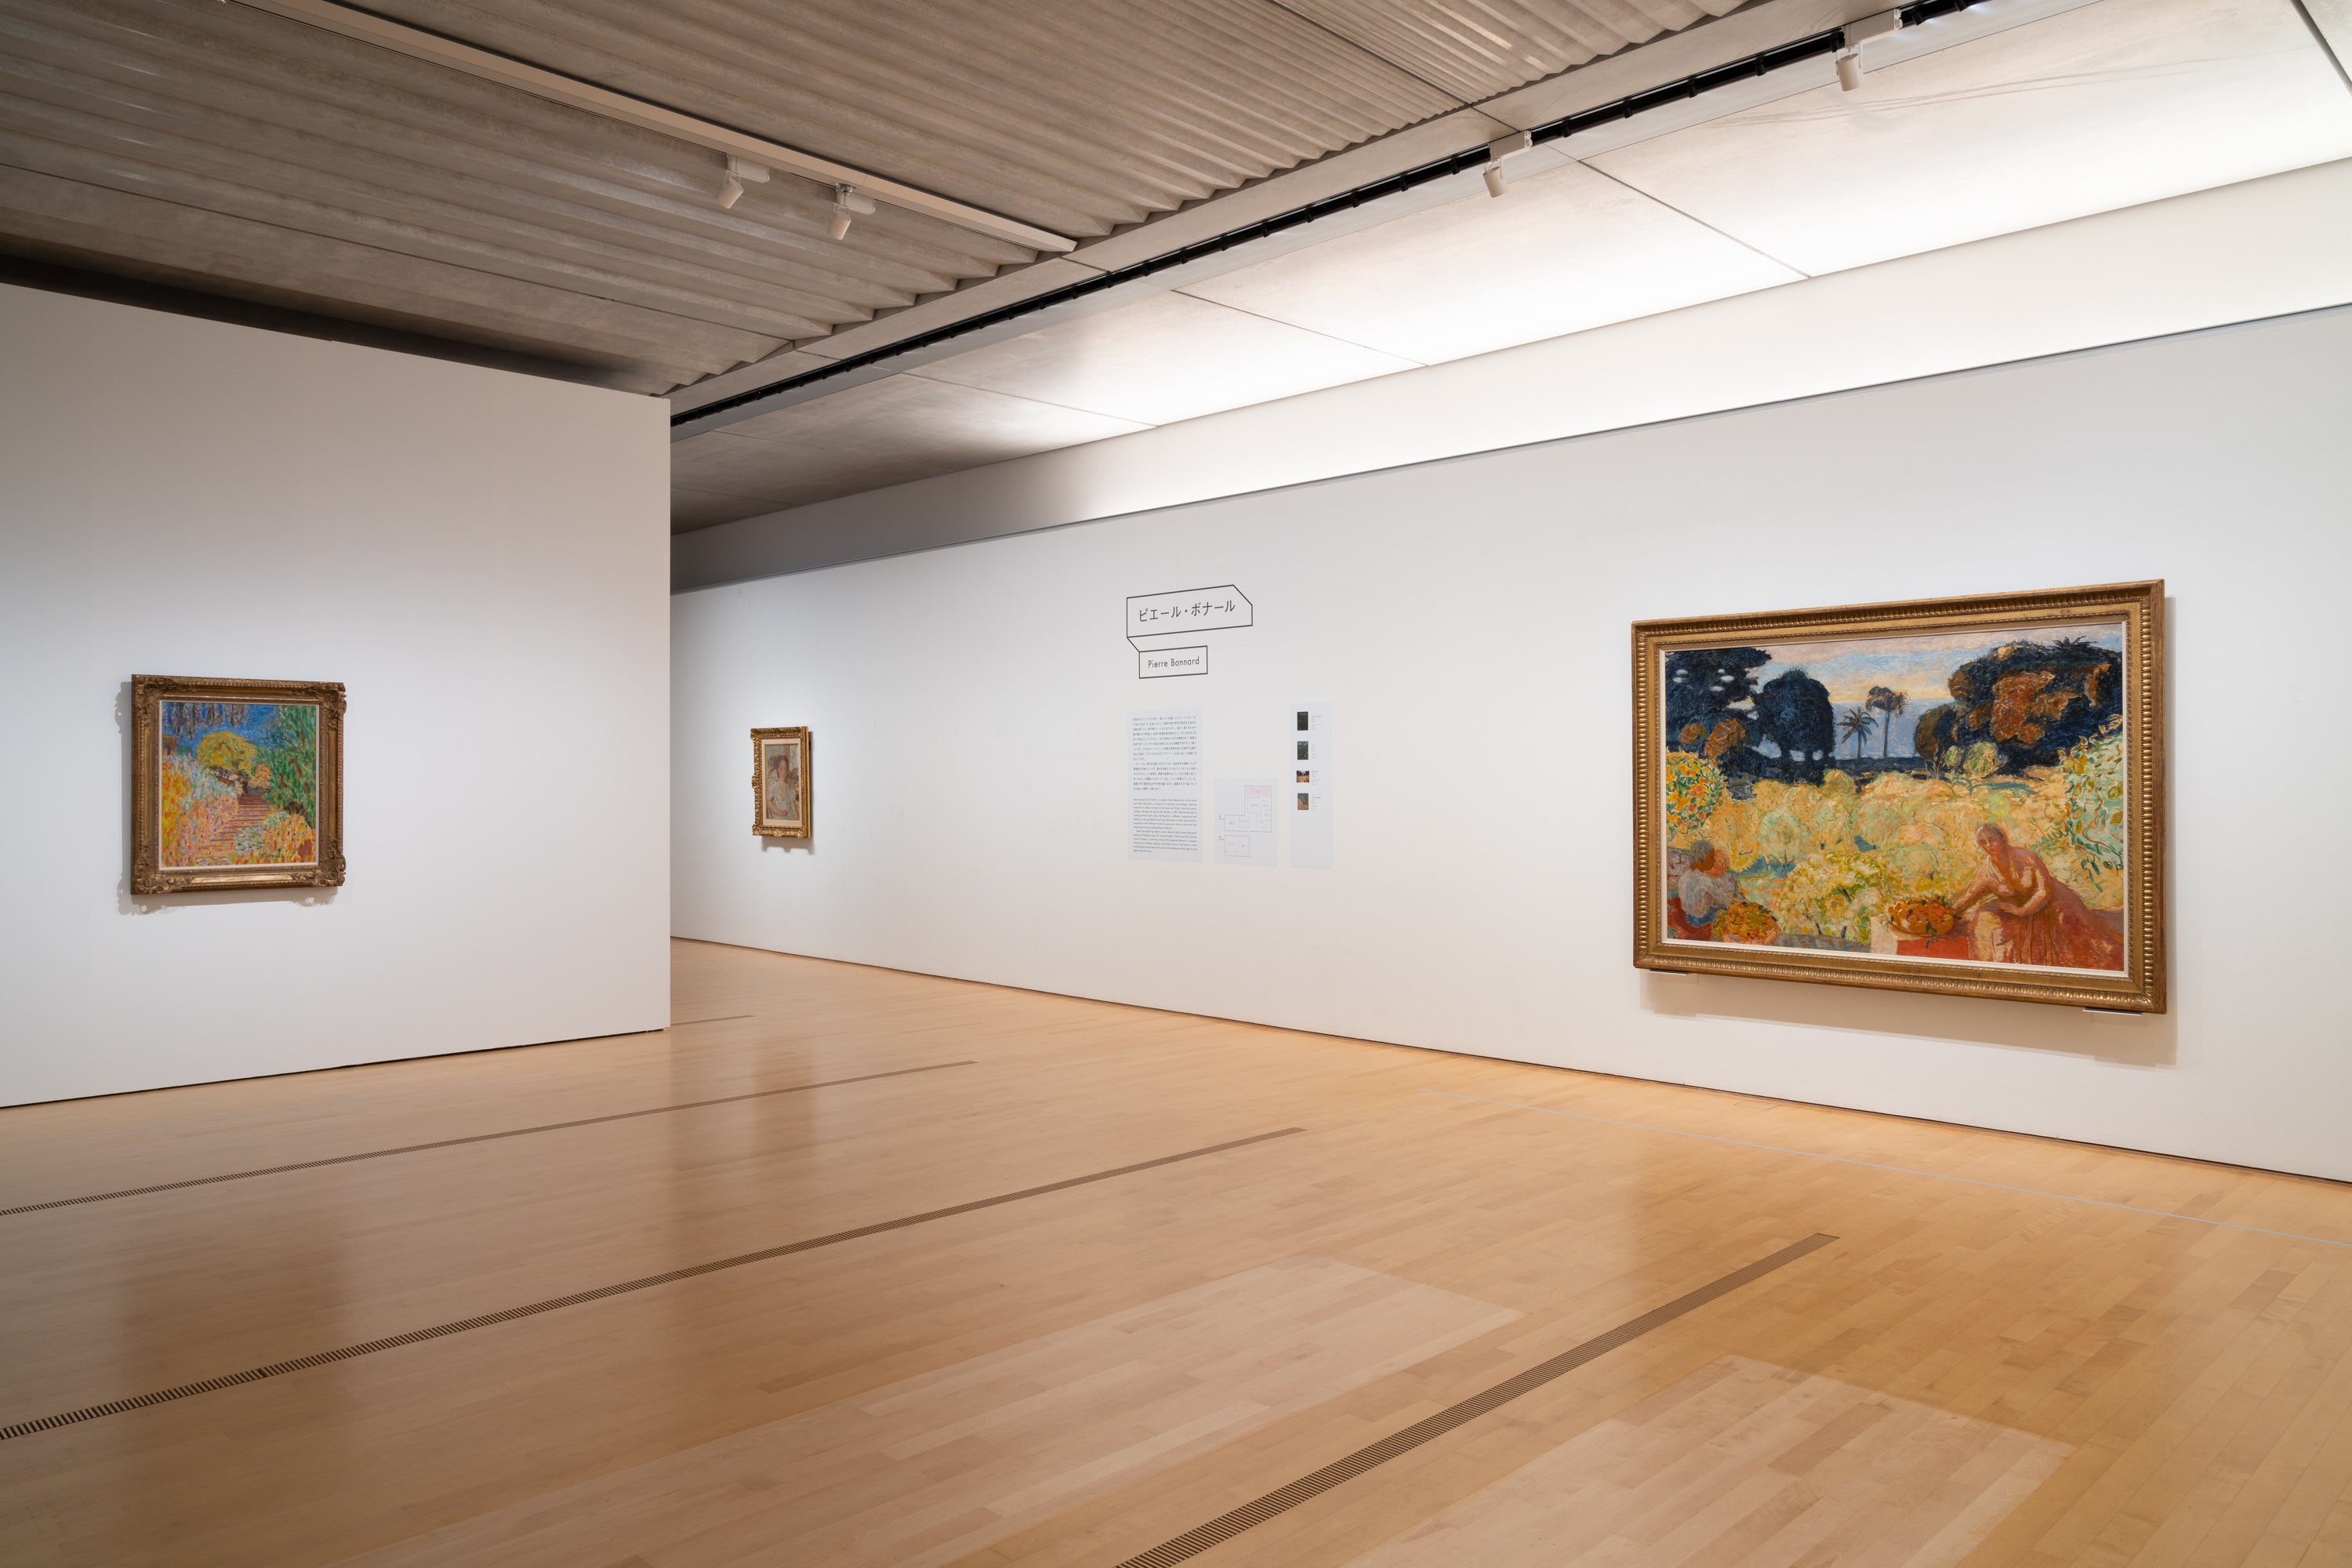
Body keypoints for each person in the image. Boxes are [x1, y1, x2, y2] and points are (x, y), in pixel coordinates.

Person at [1949, 824, 2124, 970]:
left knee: (2080, 941)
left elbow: (2044, 891)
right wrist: (1947, 914)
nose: (1989, 845)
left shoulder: (2026, 858)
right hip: (2020, 906)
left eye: (1992, 839)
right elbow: (1970, 896)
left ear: (2003, 839)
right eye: (1983, 843)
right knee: (1984, 919)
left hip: (2054, 902)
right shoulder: (1986, 871)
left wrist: (2023, 911)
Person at [1668, 840, 1740, 939]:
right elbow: (1725, 900)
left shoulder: (1685, 876)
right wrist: (1738, 906)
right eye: (1711, 857)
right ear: (1703, 859)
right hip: (1700, 919)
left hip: (1689, 917)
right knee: (1726, 911)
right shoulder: (1705, 880)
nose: (1714, 861)